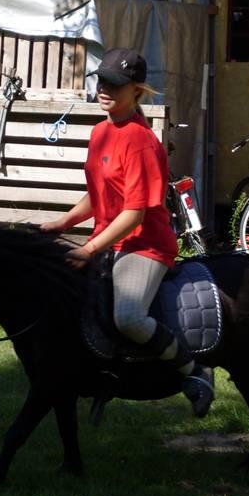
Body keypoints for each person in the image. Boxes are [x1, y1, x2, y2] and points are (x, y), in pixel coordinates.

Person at [40, 47, 214, 417]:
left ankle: (193, 370)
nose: (105, 89)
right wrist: (63, 223)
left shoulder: (140, 141)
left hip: (145, 246)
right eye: (102, 81)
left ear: (136, 89)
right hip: (107, 238)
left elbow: (135, 214)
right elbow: (100, 193)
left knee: (129, 317)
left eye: (115, 84)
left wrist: (88, 250)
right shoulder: (102, 131)